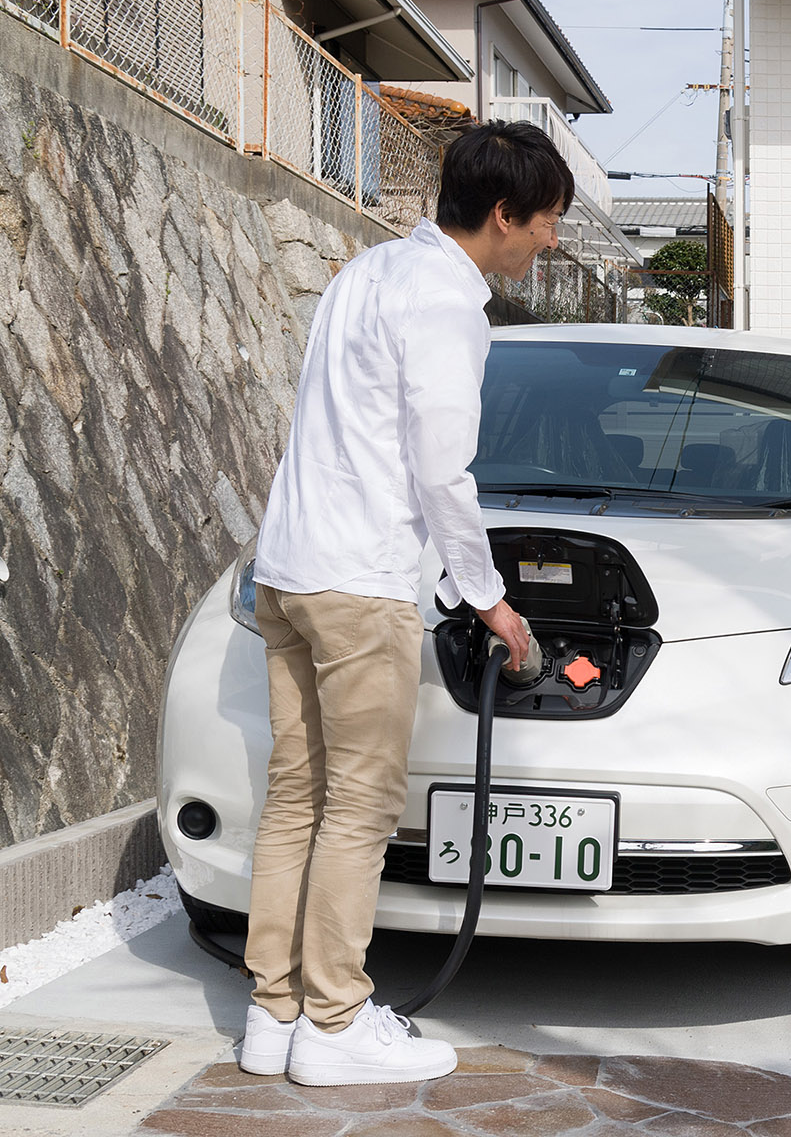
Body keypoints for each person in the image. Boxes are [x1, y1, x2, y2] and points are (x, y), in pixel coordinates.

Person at [239, 122, 569, 1085]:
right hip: (360, 580)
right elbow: (441, 469)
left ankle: (274, 1015)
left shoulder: (365, 272)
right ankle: (336, 1025)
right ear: (502, 215)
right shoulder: (448, 303)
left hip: (289, 567)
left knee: (296, 797)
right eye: (546, 221)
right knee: (360, 807)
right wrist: (491, 601)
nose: (550, 240)